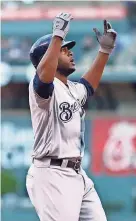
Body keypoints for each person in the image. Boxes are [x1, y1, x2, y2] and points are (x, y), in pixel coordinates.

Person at [26, 12, 117, 221]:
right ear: (48, 56)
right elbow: (43, 77)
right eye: (64, 50)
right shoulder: (42, 89)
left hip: (77, 173)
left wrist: (104, 51)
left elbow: (88, 86)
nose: (70, 53)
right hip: (51, 174)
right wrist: (57, 35)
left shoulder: (72, 89)